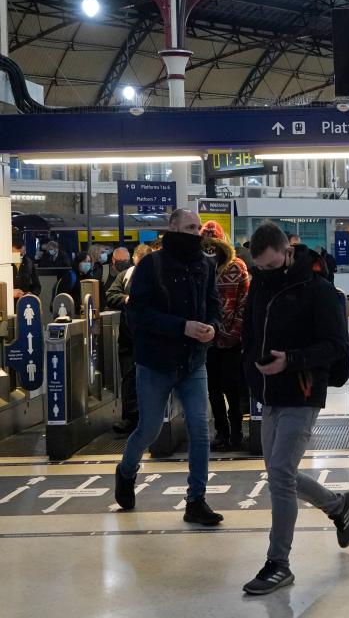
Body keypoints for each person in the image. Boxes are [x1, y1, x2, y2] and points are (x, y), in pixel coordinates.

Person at [241, 222, 349, 595]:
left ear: (288, 251)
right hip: (268, 390)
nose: (267, 274)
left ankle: (279, 564)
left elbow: (336, 346)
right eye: (261, 268)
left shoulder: (319, 290)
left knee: (279, 473)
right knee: (280, 473)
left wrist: (289, 360)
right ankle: (338, 507)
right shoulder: (259, 283)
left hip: (302, 390)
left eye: (273, 266)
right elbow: (251, 331)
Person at [113, 208, 224, 527]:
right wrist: (181, 327)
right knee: (149, 429)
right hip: (156, 362)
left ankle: (196, 500)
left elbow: (213, 305)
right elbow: (138, 315)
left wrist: (212, 327)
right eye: (191, 227)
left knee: (201, 430)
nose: (197, 232)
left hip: (193, 361)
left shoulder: (206, 264)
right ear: (172, 228)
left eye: (199, 228)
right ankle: (126, 470)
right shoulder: (151, 265)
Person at [202, 222, 250, 451]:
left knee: (232, 387)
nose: (210, 250)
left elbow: (244, 302)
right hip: (207, 340)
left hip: (231, 340)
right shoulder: (199, 267)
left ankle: (237, 431)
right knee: (213, 388)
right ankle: (222, 432)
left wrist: (234, 331)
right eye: (206, 245)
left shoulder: (237, 267)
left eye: (214, 245)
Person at [107, 244, 151, 435]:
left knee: (150, 378)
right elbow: (111, 295)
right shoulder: (125, 276)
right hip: (129, 337)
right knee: (129, 377)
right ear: (135, 259)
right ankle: (131, 418)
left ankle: (150, 417)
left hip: (151, 337)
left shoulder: (157, 275)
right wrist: (125, 299)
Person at [12, 232, 41, 302]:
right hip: (7, 303)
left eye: (22, 254)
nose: (20, 257)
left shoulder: (29, 262)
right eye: (16, 254)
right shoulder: (3, 265)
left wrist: (32, 294)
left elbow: (37, 285)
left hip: (25, 302)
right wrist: (9, 293)